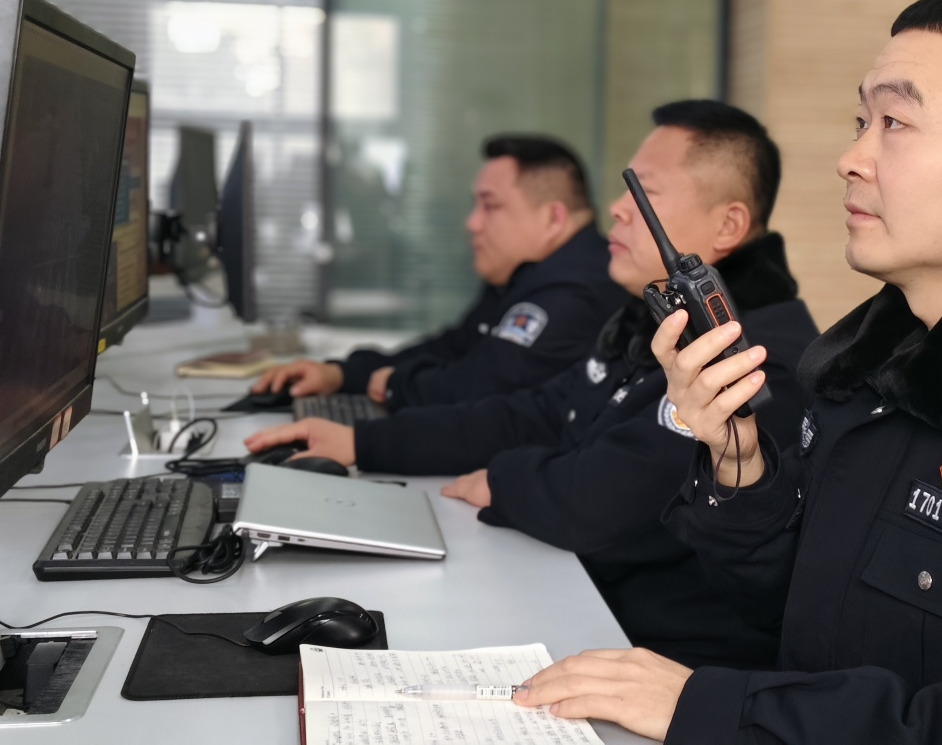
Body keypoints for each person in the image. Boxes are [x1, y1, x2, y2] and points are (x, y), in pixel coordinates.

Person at [515, 0, 942, 743]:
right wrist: (738, 463)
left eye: (895, 123)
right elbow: (796, 617)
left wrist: (720, 709)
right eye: (860, 123)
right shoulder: (873, 370)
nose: (850, 159)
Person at [246, 100, 820, 670]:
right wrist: (363, 444)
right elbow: (540, 410)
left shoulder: (758, 362)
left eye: (645, 193)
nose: (616, 210)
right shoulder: (653, 316)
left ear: (728, 226)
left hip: (664, 661)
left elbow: (599, 502)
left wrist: (504, 480)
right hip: (586, 606)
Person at [252, 135, 626, 409]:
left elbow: (481, 386)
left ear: (553, 218)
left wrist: (393, 386)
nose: (472, 223)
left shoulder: (577, 290)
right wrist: (344, 374)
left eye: (490, 206)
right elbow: (454, 348)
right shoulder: (530, 272)